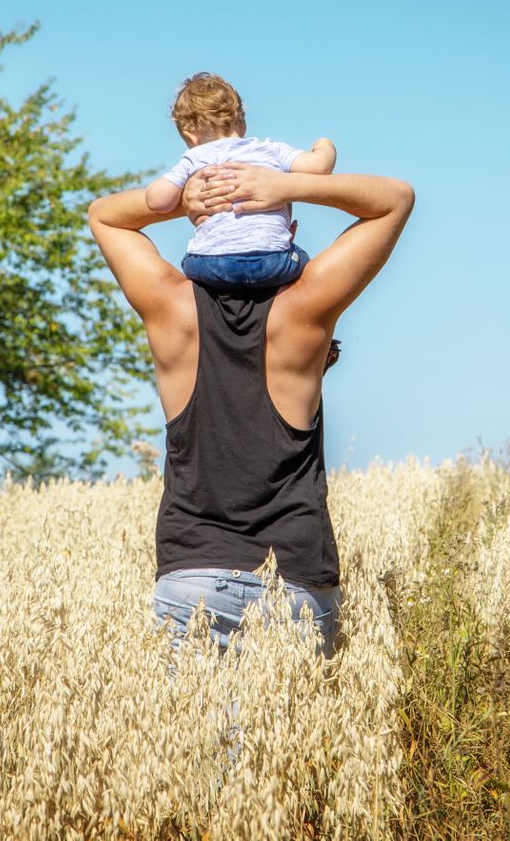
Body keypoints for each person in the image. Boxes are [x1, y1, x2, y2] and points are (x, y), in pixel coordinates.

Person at [89, 137, 414, 661]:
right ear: (287, 232)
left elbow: (104, 216)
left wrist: (187, 200)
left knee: (194, 745)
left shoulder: (169, 307)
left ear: (205, 231)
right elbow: (395, 198)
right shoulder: (306, 309)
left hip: (190, 576)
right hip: (295, 577)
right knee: (292, 744)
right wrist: (286, 186)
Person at [146, 72, 337, 292]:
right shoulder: (270, 150)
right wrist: (325, 145)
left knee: (189, 258)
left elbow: (157, 201)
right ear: (241, 120)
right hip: (274, 262)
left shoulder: (196, 157)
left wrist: (184, 189)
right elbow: (319, 168)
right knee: (302, 259)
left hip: (211, 266)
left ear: (190, 136)